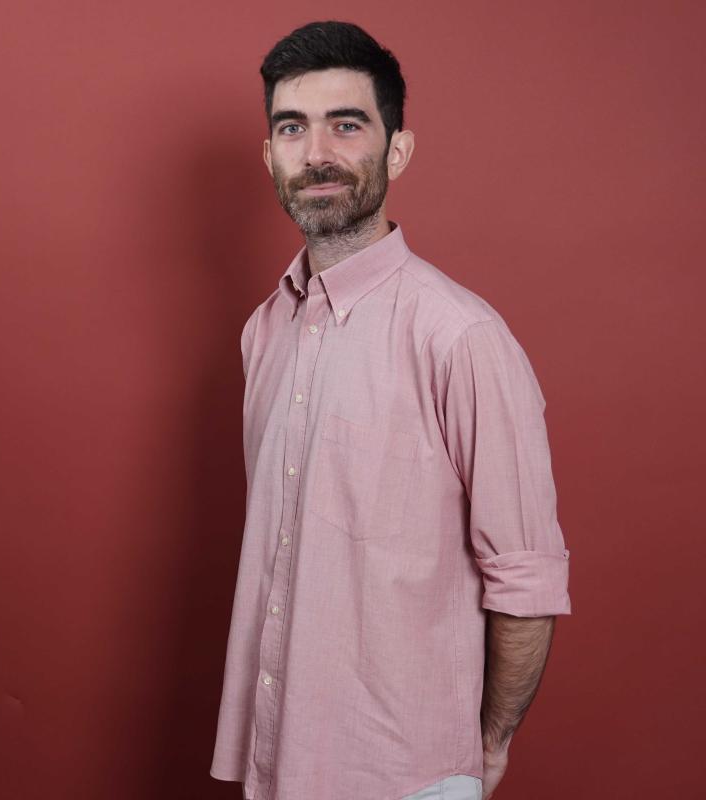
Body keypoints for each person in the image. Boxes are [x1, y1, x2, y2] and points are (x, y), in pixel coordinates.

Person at [209, 20, 571, 800]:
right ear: (269, 155)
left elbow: (526, 579)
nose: (317, 154)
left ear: (396, 150)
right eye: (291, 128)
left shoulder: (461, 336)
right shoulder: (262, 332)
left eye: (347, 124)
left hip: (406, 776)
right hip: (275, 764)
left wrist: (484, 748)